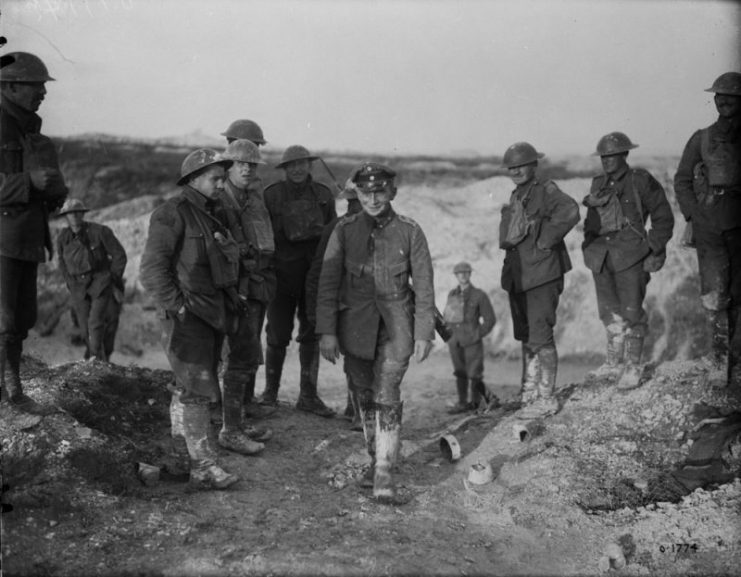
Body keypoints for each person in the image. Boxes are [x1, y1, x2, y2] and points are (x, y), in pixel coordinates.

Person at [140, 148, 262, 491]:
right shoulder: (171, 214)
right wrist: (177, 307)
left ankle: (183, 456)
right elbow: (152, 270)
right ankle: (204, 466)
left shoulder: (214, 214)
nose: (222, 184)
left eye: (224, 178)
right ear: (193, 179)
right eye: (216, 178)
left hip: (211, 311)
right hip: (186, 314)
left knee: (187, 387)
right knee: (195, 389)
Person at [316, 162, 435, 504]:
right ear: (357, 194)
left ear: (392, 193)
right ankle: (375, 458)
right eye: (366, 193)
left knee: (387, 388)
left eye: (380, 192)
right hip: (354, 324)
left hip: (397, 324)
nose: (373, 199)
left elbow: (425, 286)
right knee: (361, 391)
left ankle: (384, 470)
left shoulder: (410, 231)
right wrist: (326, 331)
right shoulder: (344, 230)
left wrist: (424, 332)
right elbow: (327, 284)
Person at [0, 52, 67, 414]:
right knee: (4, 319)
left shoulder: (30, 130)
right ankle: (10, 395)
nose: (42, 92)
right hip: (2, 239)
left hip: (26, 238)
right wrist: (28, 182)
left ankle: (12, 389)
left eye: (43, 86)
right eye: (34, 86)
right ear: (9, 86)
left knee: (21, 320)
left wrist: (55, 194)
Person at [582, 132, 674, 389]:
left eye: (612, 155)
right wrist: (587, 248)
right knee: (609, 312)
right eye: (603, 156)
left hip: (631, 256)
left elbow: (663, 217)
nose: (607, 160)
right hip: (601, 257)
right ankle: (613, 364)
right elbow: (591, 224)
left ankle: (632, 366)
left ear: (624, 155)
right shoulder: (597, 183)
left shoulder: (640, 180)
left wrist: (652, 248)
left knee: (632, 311)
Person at [499, 142, 579, 419]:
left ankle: (546, 396)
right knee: (526, 335)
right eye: (511, 167)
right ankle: (528, 390)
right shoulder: (517, 194)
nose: (516, 171)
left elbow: (569, 210)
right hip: (520, 276)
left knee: (541, 335)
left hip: (542, 276)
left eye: (521, 165)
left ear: (534, 165)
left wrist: (546, 240)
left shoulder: (546, 190)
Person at [674, 72, 741, 389]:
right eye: (719, 96)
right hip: (711, 225)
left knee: (738, 293)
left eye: (731, 96)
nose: (724, 101)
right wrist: (693, 215)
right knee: (716, 295)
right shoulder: (701, 138)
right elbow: (682, 180)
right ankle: (720, 361)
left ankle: (734, 359)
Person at [260, 145, 337, 416]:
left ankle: (308, 395)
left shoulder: (324, 195)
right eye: (291, 165)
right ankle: (270, 393)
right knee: (277, 335)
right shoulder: (271, 196)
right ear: (283, 169)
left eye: (301, 163)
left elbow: (333, 238)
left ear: (310, 166)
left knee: (311, 335)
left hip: (312, 277)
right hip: (281, 277)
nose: (297, 169)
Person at [215, 139, 275, 440]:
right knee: (235, 355)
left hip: (255, 284)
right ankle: (231, 425)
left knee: (248, 351)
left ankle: (238, 418)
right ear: (229, 166)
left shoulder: (253, 198)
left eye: (251, 165)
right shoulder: (220, 200)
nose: (247, 169)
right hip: (233, 288)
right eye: (241, 164)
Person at [305, 176, 364, 429]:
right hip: (343, 305)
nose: (355, 209)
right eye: (352, 203)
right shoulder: (336, 228)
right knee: (355, 359)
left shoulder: (383, 227)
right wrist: (315, 315)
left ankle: (360, 407)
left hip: (366, 305)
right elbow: (318, 272)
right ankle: (357, 408)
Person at [56, 199, 127, 362]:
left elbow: (119, 255)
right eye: (69, 214)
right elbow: (62, 262)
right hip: (78, 286)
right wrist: (70, 282)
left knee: (96, 322)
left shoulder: (100, 232)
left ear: (83, 213)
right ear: (65, 217)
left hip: (100, 282)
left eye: (77, 212)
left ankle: (97, 358)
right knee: (83, 326)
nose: (74, 216)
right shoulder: (63, 237)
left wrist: (112, 278)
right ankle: (94, 355)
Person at [442, 261, 497, 413]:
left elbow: (490, 320)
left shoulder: (479, 295)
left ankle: (476, 403)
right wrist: (449, 338)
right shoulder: (452, 294)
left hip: (472, 341)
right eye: (460, 273)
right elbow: (447, 318)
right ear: (456, 276)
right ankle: (462, 402)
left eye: (466, 272)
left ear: (470, 274)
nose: (463, 276)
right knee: (460, 372)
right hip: (455, 341)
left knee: (474, 374)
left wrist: (477, 334)